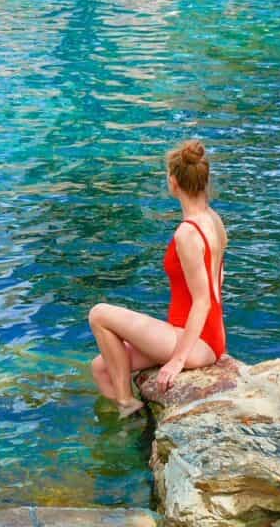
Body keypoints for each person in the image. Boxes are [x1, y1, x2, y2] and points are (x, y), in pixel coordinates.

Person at [88, 140, 227, 417]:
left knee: (99, 314)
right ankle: (133, 427)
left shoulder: (187, 233)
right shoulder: (213, 220)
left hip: (195, 341)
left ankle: (127, 403)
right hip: (207, 335)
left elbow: (202, 302)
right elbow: (218, 279)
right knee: (101, 368)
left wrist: (178, 360)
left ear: (173, 182)